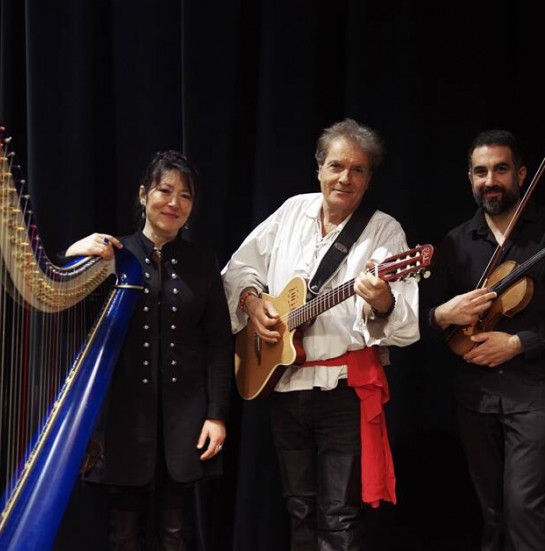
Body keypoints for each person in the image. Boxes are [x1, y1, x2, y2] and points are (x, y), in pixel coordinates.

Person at [221, 118, 420, 550]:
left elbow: (403, 322)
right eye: (336, 166)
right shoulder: (292, 211)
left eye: (358, 170)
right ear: (319, 169)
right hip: (285, 386)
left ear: (369, 178)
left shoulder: (385, 231)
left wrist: (381, 298)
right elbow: (237, 270)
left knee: (339, 517)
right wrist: (254, 303)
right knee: (299, 509)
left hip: (342, 393)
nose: (345, 178)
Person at [419, 129, 545, 551]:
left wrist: (520, 342)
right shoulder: (455, 243)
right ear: (469, 178)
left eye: (501, 169)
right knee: (490, 515)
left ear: (521, 174)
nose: (491, 180)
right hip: (475, 396)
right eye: (481, 172)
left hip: (539, 393)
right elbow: (425, 318)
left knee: (523, 509)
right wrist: (444, 314)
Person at [65, 150, 233, 550]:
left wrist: (216, 415)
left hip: (186, 419)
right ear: (143, 195)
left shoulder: (202, 261)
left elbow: (219, 343)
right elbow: (61, 301)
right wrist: (74, 253)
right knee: (122, 533)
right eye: (164, 190)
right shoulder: (111, 254)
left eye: (186, 196)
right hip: (123, 418)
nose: (174, 203)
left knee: (176, 533)